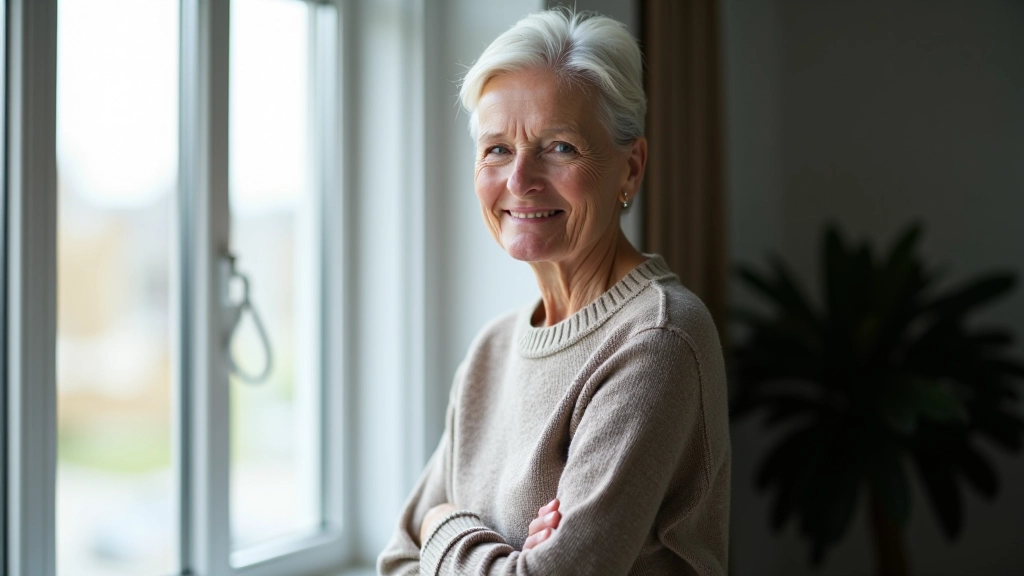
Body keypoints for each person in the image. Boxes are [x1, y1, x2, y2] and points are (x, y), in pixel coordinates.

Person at [377, 9, 730, 575]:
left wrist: (442, 521)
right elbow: (397, 561)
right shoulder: (492, 350)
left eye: (559, 146)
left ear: (630, 169)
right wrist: (501, 553)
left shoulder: (658, 338)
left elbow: (431, 539)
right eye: (496, 149)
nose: (519, 180)